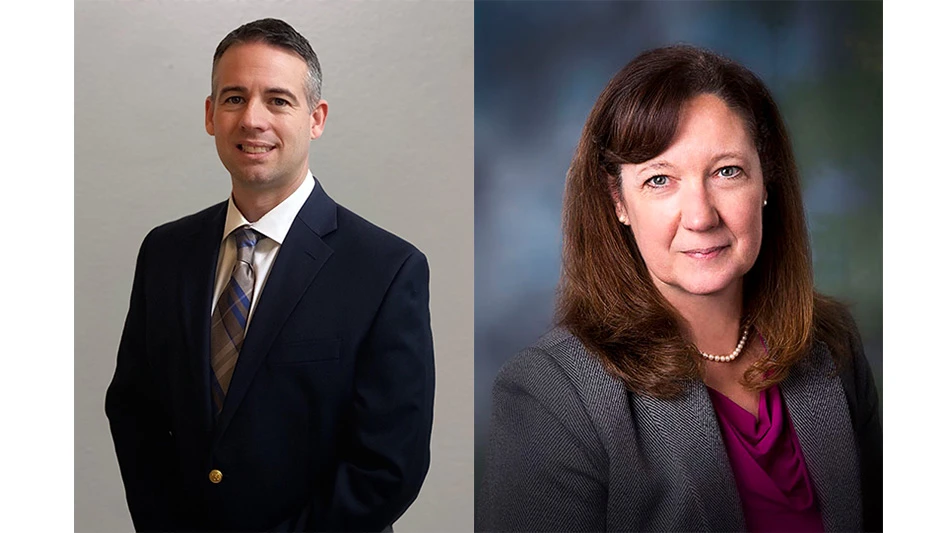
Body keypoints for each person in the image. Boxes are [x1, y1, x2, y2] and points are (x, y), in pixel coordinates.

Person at [477, 45, 881, 532]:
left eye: (726, 171)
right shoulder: (552, 395)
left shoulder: (830, 344)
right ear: (618, 201)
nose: (700, 216)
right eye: (659, 180)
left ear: (766, 179)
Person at [105, 18, 435, 532]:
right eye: (234, 98)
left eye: (278, 101)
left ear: (315, 118)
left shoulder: (387, 270)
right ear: (211, 114)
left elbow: (388, 467)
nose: (252, 119)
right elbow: (135, 412)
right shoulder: (165, 253)